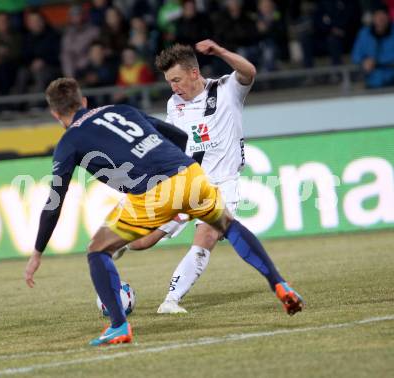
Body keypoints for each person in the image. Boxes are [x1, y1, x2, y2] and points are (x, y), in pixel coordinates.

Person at [24, 78, 304, 346]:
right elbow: (179, 136)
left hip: (151, 191)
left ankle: (119, 326)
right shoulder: (121, 110)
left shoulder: (69, 142)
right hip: (189, 172)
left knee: (98, 249)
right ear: (83, 100)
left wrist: (38, 251)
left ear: (55, 114)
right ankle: (280, 284)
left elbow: (54, 202)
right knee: (227, 225)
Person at [119, 39, 278, 315]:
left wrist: (219, 51)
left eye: (177, 79)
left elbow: (249, 72)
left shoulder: (227, 89)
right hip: (184, 184)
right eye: (169, 82)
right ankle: (120, 245)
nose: (174, 87)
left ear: (194, 72)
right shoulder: (174, 104)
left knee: (207, 236)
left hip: (221, 185)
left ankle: (171, 300)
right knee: (141, 242)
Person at [352, 4, 394, 88]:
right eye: (377, 15)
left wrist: (377, 62)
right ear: (373, 17)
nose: (380, 18)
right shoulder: (364, 33)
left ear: (388, 17)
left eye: (383, 15)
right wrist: (364, 61)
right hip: (372, 82)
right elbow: (355, 56)